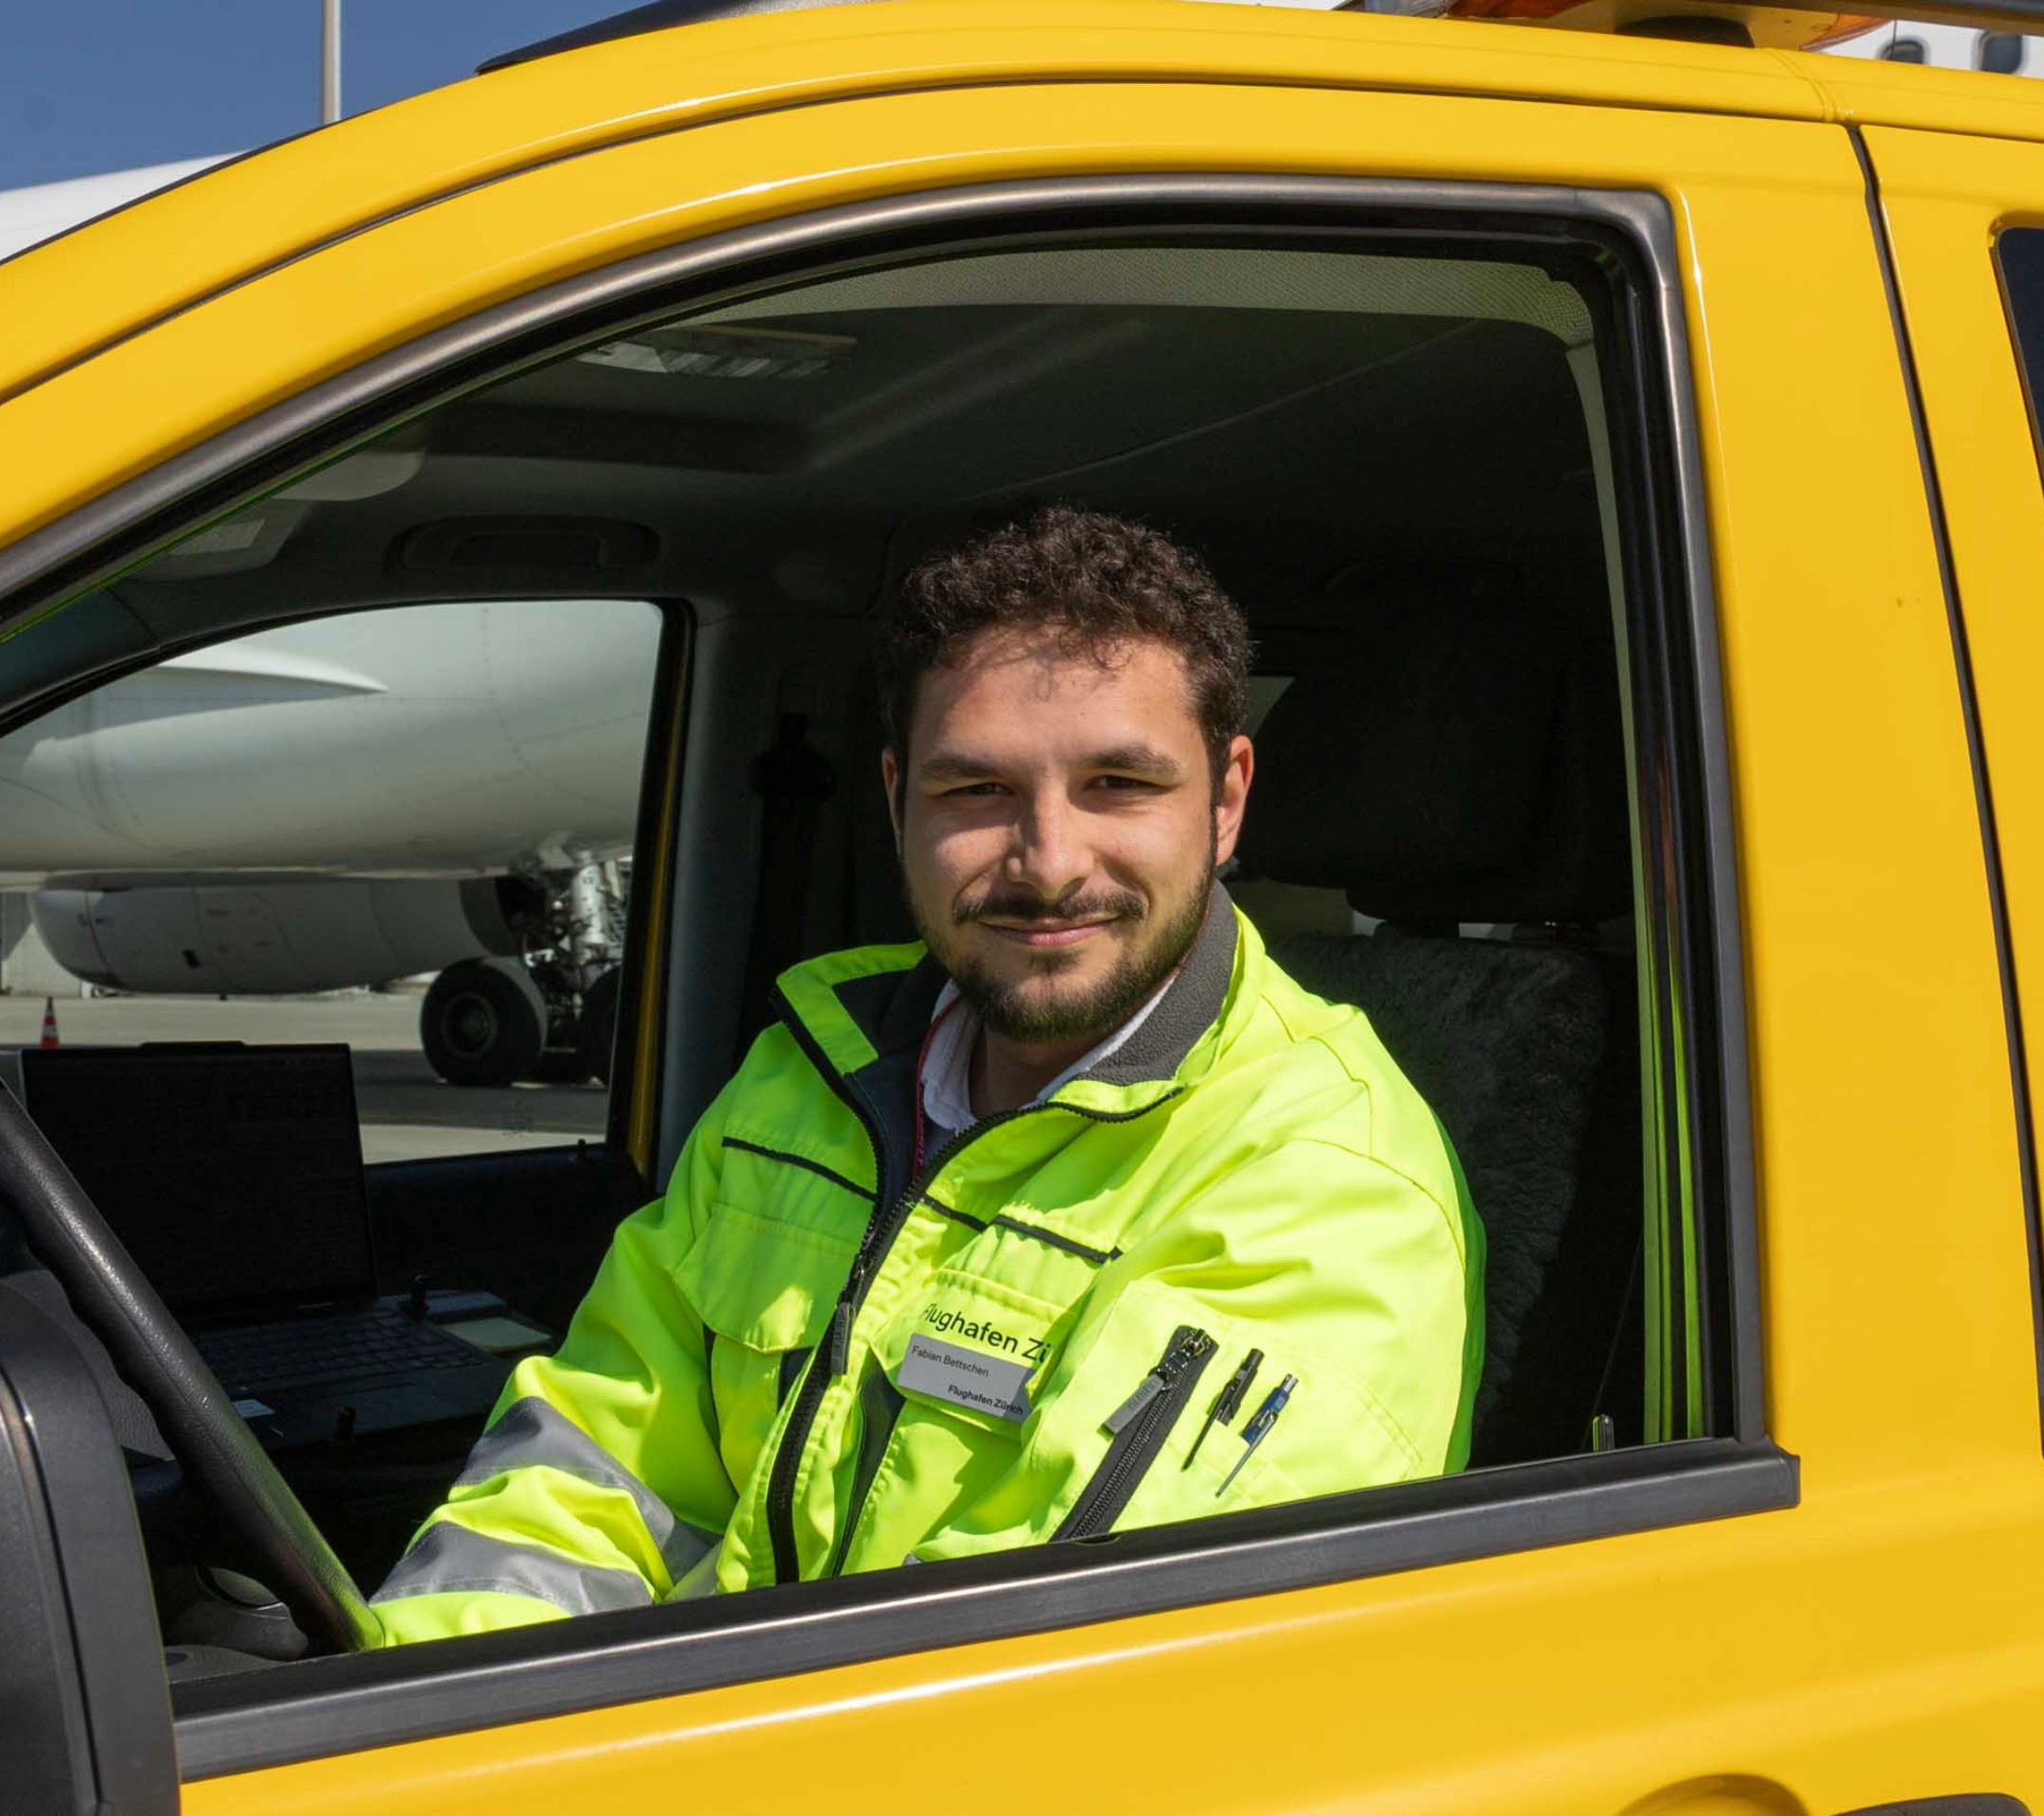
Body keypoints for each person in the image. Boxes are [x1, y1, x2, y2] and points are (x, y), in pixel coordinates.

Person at [370, 506, 1484, 1643]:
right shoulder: (809, 1076)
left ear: (1227, 797)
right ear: (897, 797)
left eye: (1116, 784)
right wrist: (393, 1721)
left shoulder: (1323, 1189)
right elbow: (599, 1459)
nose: (1047, 865)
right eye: (977, 792)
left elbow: (1043, 1697)